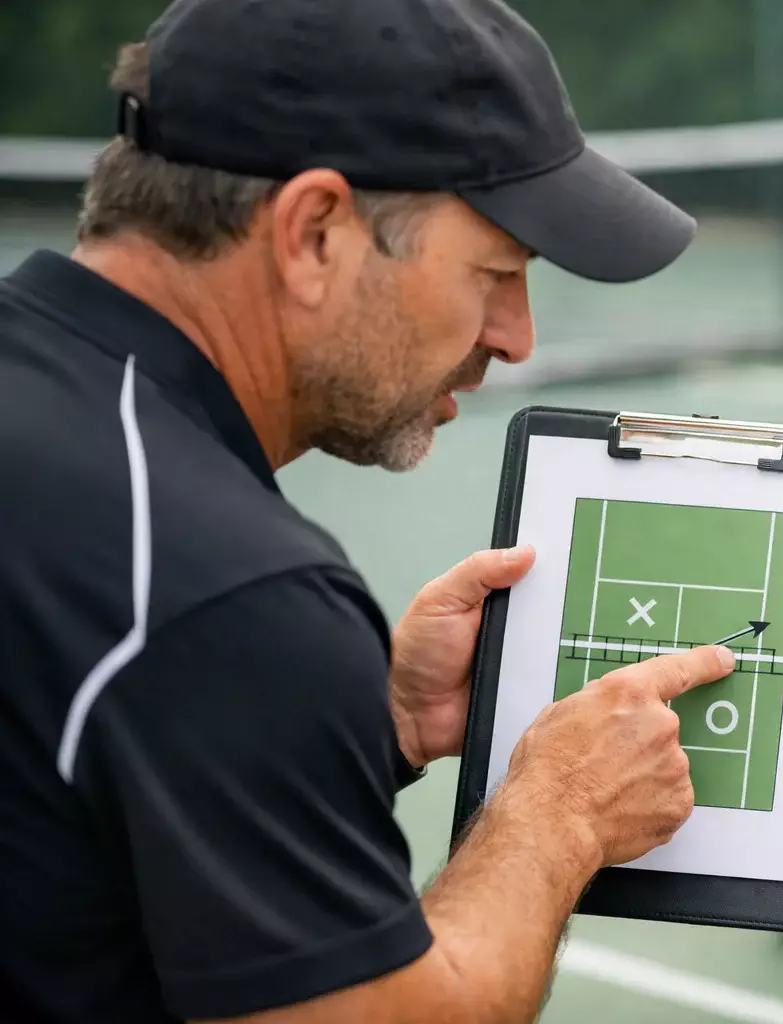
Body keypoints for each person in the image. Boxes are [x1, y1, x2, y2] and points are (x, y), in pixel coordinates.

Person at [0, 0, 737, 1021]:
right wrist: (558, 813)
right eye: (496, 271)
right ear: (313, 232)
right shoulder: (222, 590)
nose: (516, 337)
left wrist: (369, 723)